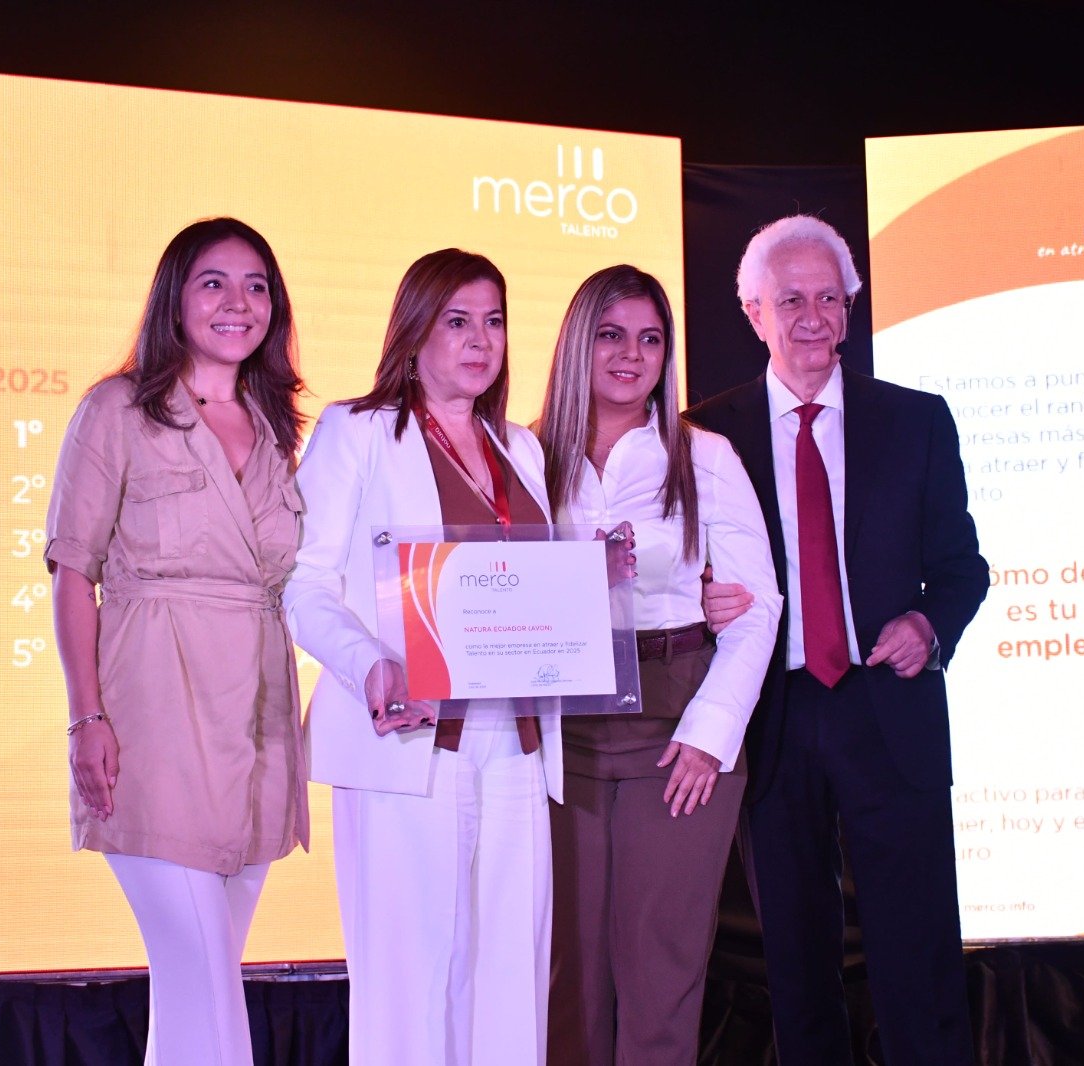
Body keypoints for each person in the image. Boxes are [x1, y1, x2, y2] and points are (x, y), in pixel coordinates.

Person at [689, 215, 989, 1066]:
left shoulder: (917, 421)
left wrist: (929, 625)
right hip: (772, 714)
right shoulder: (703, 436)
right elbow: (673, 572)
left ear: (850, 308)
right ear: (754, 312)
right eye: (791, 300)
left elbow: (962, 569)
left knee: (918, 957)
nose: (813, 317)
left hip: (888, 709)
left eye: (830, 298)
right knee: (794, 962)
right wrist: (698, 599)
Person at [284, 249, 561, 1065]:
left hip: (516, 744)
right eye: (457, 321)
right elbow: (301, 583)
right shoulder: (358, 431)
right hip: (407, 738)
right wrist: (369, 663)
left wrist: (591, 588)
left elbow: (535, 589)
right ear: (414, 330)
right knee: (410, 986)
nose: (481, 340)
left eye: (494, 321)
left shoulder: (521, 448)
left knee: (511, 984)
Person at [45, 217, 308, 1065]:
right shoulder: (116, 410)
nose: (239, 302)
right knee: (204, 978)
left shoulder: (275, 426)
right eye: (214, 282)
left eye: (257, 285)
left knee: (198, 983)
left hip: (257, 725)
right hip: (155, 713)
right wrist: (87, 718)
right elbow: (72, 574)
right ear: (175, 298)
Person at [536, 265, 781, 1065]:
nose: (631, 355)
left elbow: (757, 605)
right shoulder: (522, 454)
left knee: (661, 973)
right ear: (578, 342)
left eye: (649, 339)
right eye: (611, 335)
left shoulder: (704, 455)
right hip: (559, 730)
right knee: (564, 975)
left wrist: (712, 735)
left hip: (677, 727)